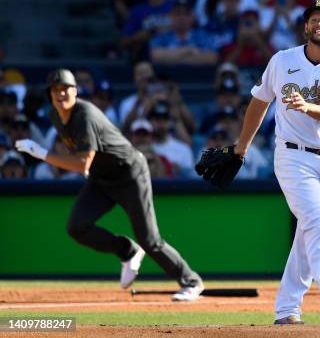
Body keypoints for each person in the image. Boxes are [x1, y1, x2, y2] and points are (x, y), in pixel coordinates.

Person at [232, 0, 320, 326]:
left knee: (309, 236)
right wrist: (241, 147)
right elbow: (259, 101)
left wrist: (307, 107)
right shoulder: (282, 61)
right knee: (317, 226)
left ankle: (286, 310)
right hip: (293, 155)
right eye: (313, 19)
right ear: (305, 28)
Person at [15, 69, 203, 301]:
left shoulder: (85, 115)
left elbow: (82, 164)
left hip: (130, 174)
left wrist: (43, 154)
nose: (61, 93)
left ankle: (191, 281)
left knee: (150, 239)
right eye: (55, 90)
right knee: (77, 226)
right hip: (101, 177)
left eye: (65, 88)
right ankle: (127, 250)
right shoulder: (55, 116)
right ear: (50, 94)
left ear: (75, 91)